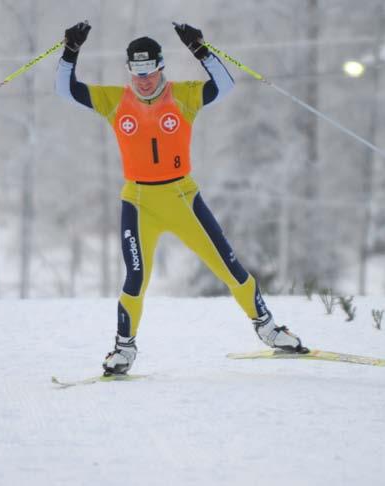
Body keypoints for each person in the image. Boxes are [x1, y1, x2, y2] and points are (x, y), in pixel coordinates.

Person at [56, 21, 307, 375]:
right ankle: (123, 350)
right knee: (135, 277)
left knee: (229, 266)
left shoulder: (184, 94)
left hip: (182, 198)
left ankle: (267, 327)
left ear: (161, 68)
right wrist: (71, 50)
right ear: (129, 71)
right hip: (139, 201)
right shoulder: (115, 100)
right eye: (136, 72)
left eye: (150, 71)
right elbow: (67, 91)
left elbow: (225, 85)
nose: (143, 80)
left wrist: (200, 49)